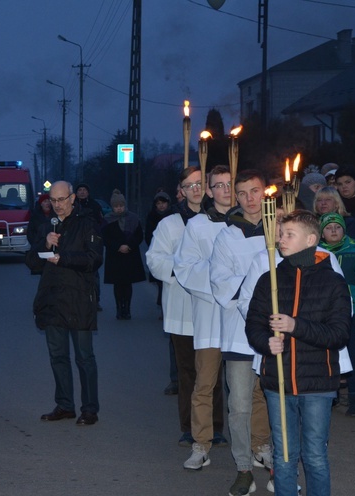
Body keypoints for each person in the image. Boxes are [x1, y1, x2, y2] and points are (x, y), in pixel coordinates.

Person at [246, 210, 351, 496]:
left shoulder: (333, 282)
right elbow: (253, 323)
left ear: (311, 239)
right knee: (284, 456)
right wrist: (266, 342)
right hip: (277, 383)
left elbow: (339, 334)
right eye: (281, 234)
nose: (281, 239)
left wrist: (295, 326)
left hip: (317, 383)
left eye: (289, 234)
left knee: (315, 456)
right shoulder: (270, 279)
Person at [147, 167, 224, 443]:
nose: (194, 189)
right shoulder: (170, 223)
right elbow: (155, 260)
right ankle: (190, 428)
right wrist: (185, 270)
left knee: (213, 371)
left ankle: (215, 427)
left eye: (199, 184)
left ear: (207, 187)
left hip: (214, 309)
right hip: (183, 309)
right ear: (180, 190)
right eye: (188, 185)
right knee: (188, 372)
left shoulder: (220, 220)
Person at [209, 170, 273, 495]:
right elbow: (221, 283)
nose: (250, 198)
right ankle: (244, 467)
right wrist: (257, 286)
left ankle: (276, 461)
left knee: (276, 401)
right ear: (236, 198)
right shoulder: (227, 236)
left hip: (275, 332)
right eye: (243, 193)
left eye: (255, 191)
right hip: (239, 333)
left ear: (265, 193)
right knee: (240, 406)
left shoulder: (280, 231)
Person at [25, 180, 103, 426]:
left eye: (61, 200)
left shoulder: (88, 222)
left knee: (84, 357)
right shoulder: (47, 223)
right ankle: (64, 405)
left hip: (79, 298)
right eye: (53, 200)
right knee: (57, 355)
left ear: (72, 198)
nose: (56, 205)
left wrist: (63, 257)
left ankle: (89, 409)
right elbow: (32, 262)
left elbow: (94, 259)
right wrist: (45, 244)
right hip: (52, 299)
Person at [174, 165, 233, 470]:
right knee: (204, 384)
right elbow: (184, 268)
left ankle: (257, 443)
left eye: (230, 184)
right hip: (210, 315)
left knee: (251, 389)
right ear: (209, 191)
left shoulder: (250, 224)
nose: (225, 190)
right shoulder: (197, 226)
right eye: (219, 185)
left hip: (241, 319)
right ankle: (201, 444)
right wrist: (219, 275)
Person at [318, 213, 355, 416]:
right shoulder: (318, 253)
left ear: (344, 230)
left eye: (337, 227)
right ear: (321, 232)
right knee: (328, 354)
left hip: (352, 310)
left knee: (350, 354)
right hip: (327, 312)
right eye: (328, 227)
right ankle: (331, 394)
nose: (333, 230)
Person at [144, 190, 176, 392]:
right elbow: (149, 237)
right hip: (167, 265)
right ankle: (177, 378)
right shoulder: (155, 218)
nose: (161, 206)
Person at [102, 189, 146, 320]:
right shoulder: (107, 219)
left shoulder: (133, 218)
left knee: (127, 284)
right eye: (116, 206)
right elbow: (105, 238)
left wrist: (129, 246)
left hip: (130, 256)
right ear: (112, 207)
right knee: (117, 284)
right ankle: (118, 308)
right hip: (115, 256)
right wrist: (118, 247)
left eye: (121, 206)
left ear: (124, 205)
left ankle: (127, 308)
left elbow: (139, 236)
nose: (119, 209)